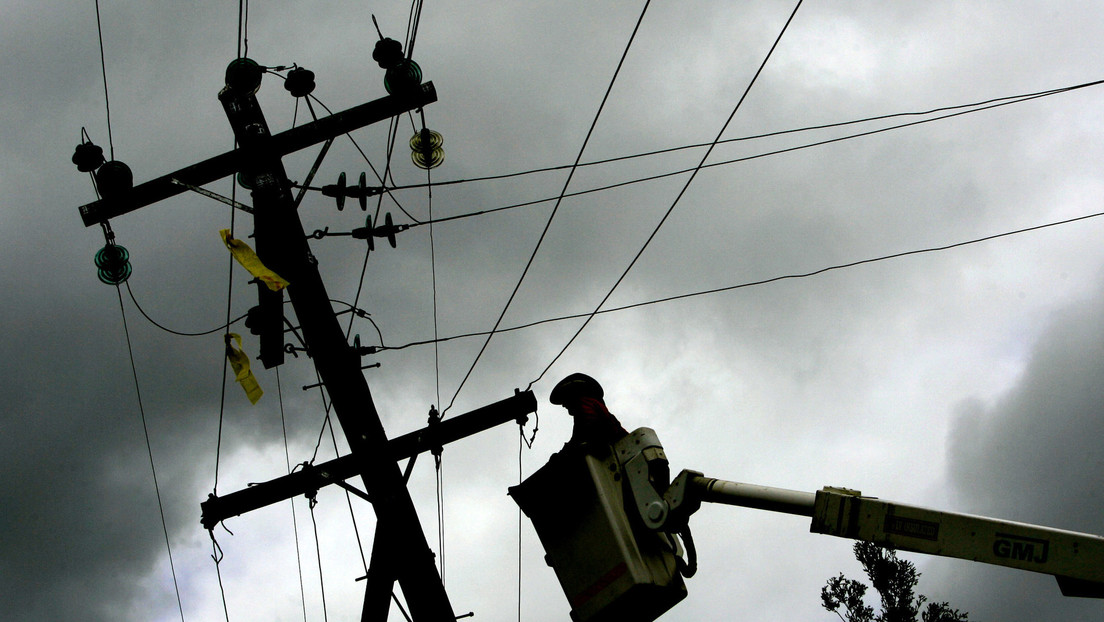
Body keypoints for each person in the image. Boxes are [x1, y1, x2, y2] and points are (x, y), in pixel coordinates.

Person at [550, 373, 628, 451]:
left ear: (574, 396)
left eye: (565, 399)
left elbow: (588, 432)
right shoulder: (582, 419)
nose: (563, 405)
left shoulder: (586, 407)